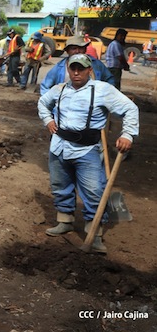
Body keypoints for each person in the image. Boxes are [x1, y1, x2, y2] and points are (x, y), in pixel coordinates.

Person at [38, 54, 139, 254]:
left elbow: (130, 108)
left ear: (89, 70)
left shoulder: (103, 90)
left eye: (81, 69)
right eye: (73, 68)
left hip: (87, 149)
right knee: (60, 186)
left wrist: (127, 134)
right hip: (59, 146)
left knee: (94, 191)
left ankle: (95, 234)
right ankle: (64, 221)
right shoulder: (59, 89)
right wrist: (48, 120)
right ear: (68, 69)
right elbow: (42, 103)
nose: (76, 73)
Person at [40, 35, 115, 96]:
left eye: (80, 48)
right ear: (67, 51)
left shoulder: (96, 64)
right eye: (74, 48)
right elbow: (45, 86)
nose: (77, 51)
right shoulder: (60, 67)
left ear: (85, 49)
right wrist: (53, 103)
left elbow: (109, 79)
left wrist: (105, 97)